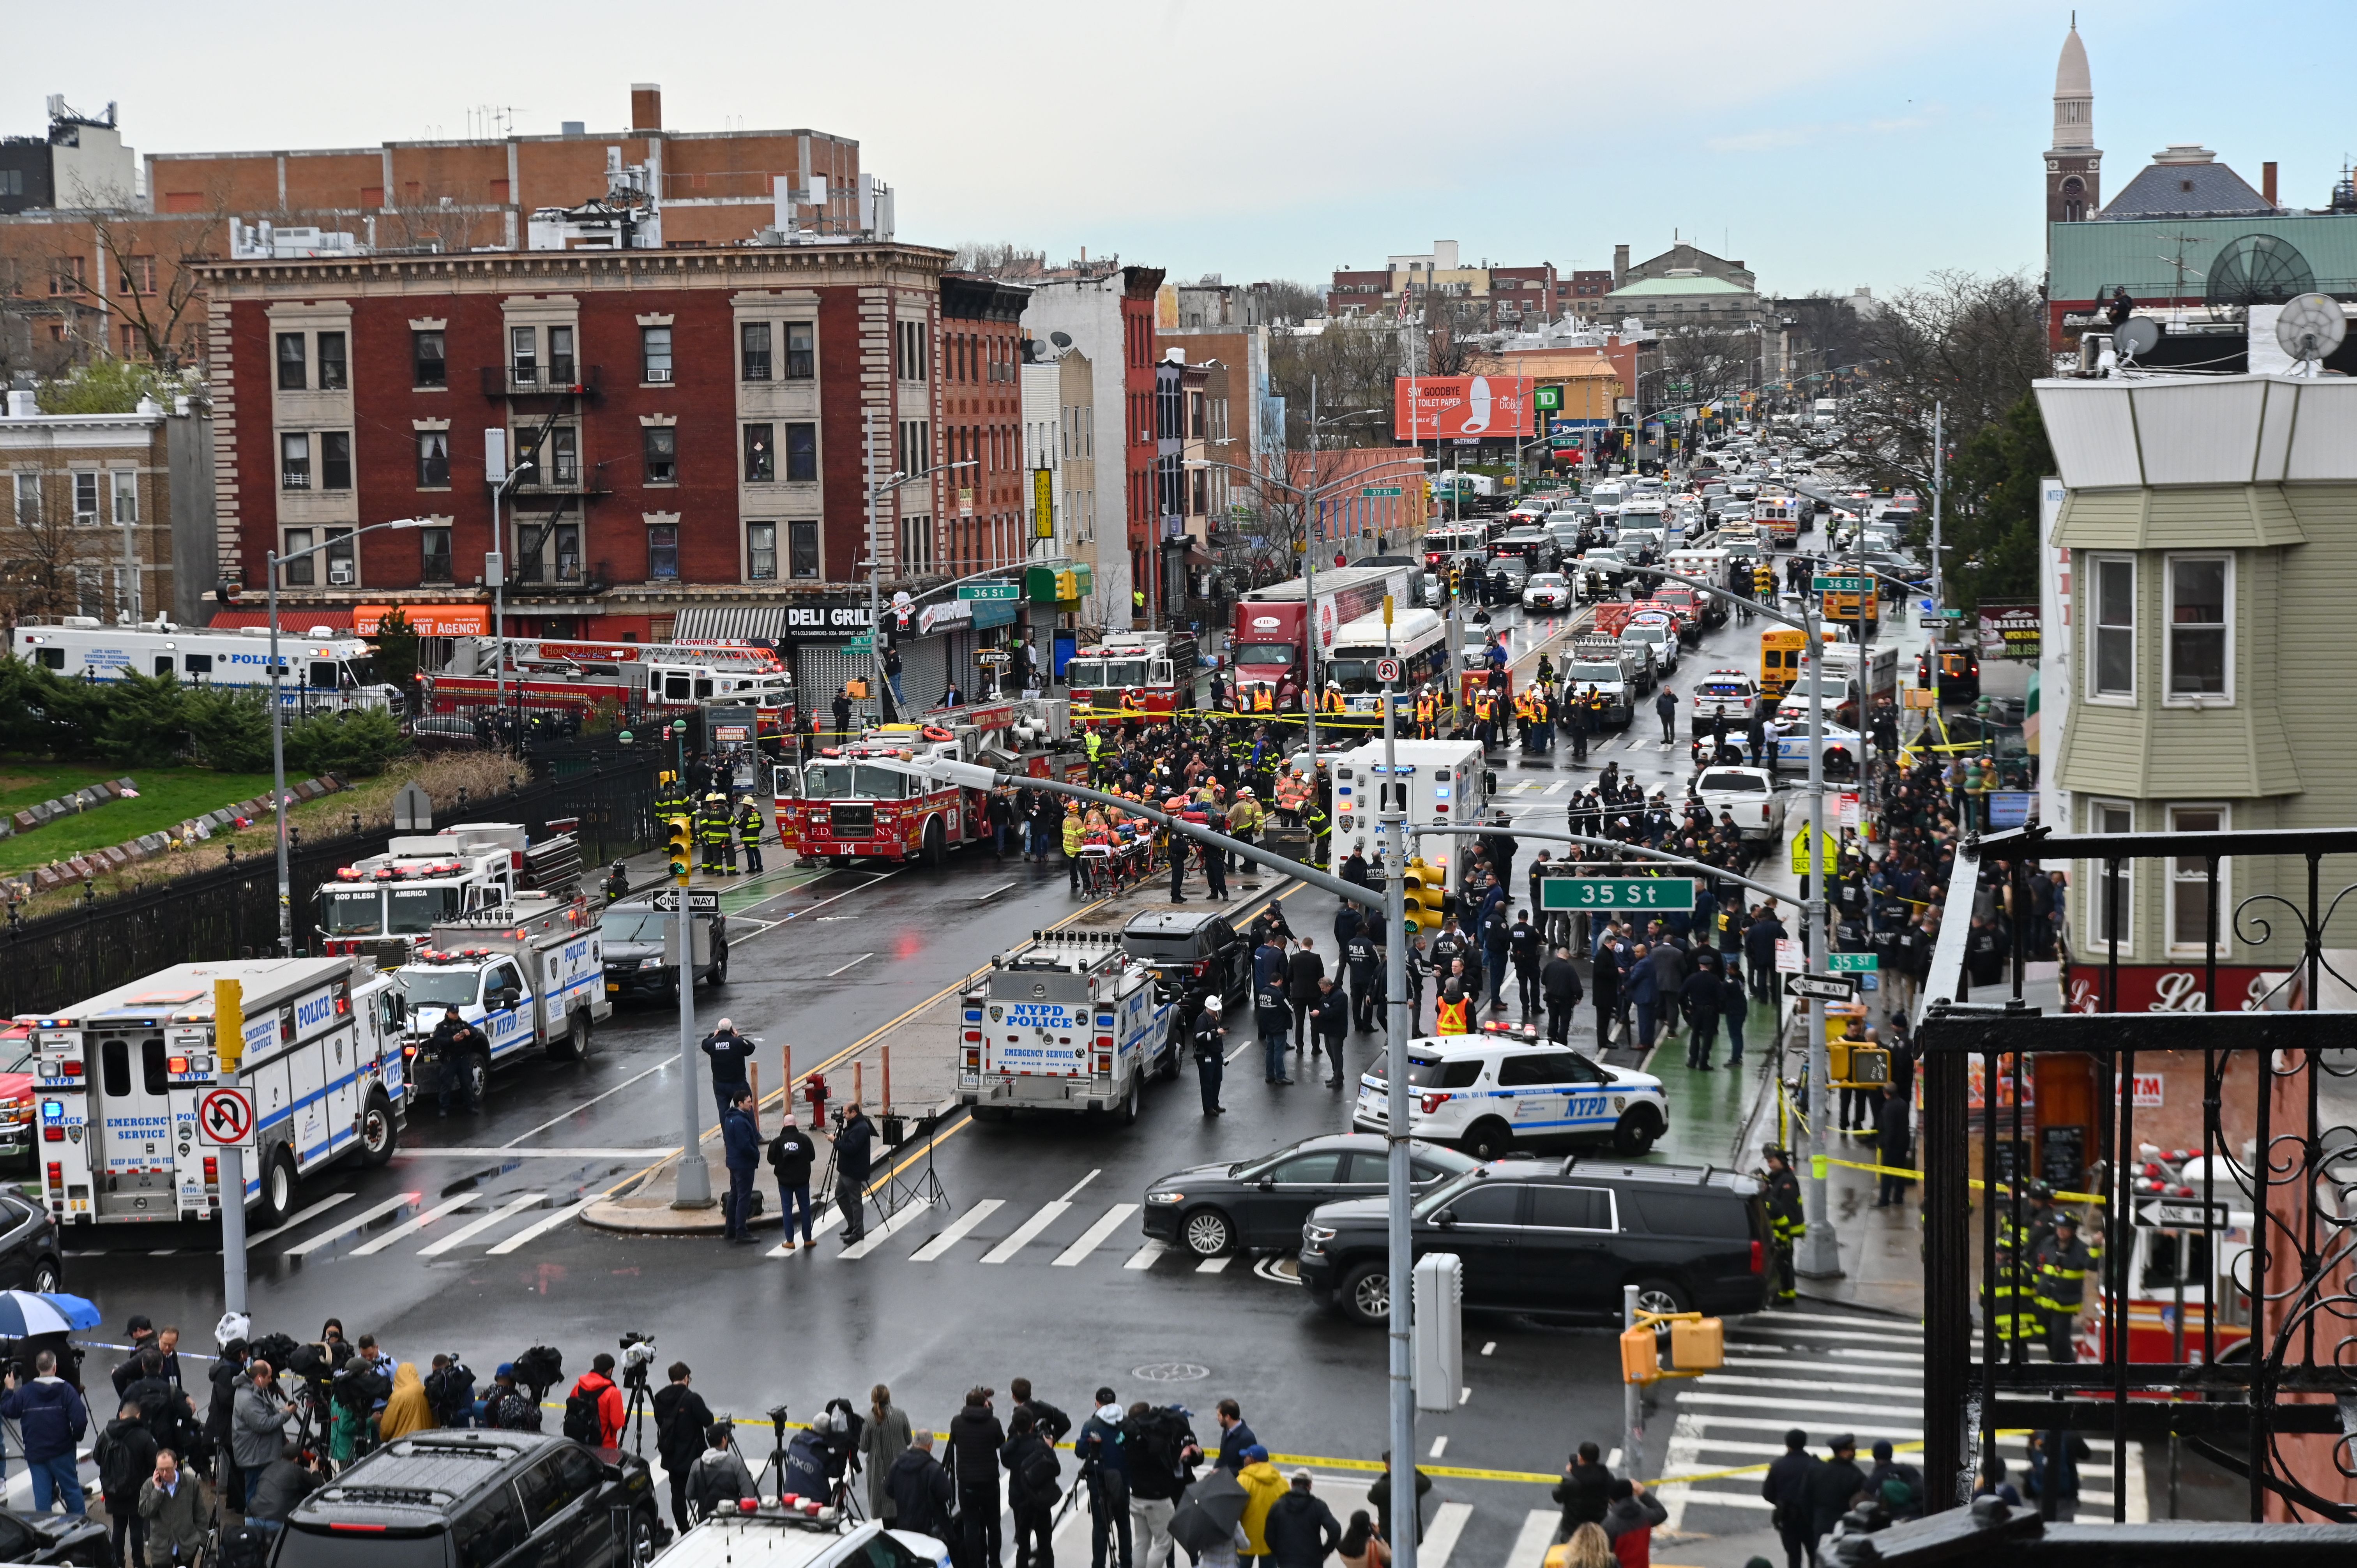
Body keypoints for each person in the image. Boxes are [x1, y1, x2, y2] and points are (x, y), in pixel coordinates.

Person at [4, 1351, 87, 1514]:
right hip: (62, 1450)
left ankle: (45, 1532)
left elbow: (8, 1410)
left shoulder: (26, 1392)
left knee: (42, 1497)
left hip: (35, 1452)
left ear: (37, 1368)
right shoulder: (66, 1390)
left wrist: (9, 1389)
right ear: (55, 1367)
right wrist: (75, 1437)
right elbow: (80, 1420)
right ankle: (81, 1531)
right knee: (71, 1490)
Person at [949, 1388, 1007, 1568]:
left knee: (971, 1526)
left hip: (967, 1482)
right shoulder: (993, 1422)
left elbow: (956, 1441)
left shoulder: (957, 1422)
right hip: (989, 1481)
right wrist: (989, 1411)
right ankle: (995, 1561)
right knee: (993, 1525)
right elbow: (1000, 1443)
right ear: (985, 1403)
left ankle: (976, 1563)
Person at [95, 1400, 158, 1568]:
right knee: (137, 1527)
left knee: (118, 1527)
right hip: (136, 1490)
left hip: (112, 1489)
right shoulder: (143, 1436)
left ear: (121, 1415)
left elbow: (97, 1457)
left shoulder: (106, 1434)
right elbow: (155, 1461)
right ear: (138, 1416)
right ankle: (138, 1562)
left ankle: (118, 1562)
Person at [654, 1364, 715, 1533]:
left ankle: (683, 1529)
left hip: (671, 1455)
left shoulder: (660, 1398)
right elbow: (708, 1420)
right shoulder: (692, 1398)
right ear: (686, 1378)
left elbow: (660, 1421)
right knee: (704, 1491)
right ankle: (704, 1525)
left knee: (678, 1494)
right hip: (693, 1456)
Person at [1076, 1389, 1132, 1568]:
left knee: (1100, 1526)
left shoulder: (1091, 1425)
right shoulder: (1126, 1422)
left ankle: (1099, 1564)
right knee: (1123, 1524)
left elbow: (1081, 1452)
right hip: (1122, 1480)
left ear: (1097, 1403)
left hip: (1098, 1481)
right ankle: (1126, 1563)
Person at [1002, 1409, 1061, 1568]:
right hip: (1039, 1500)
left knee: (1023, 1546)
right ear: (1033, 1425)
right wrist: (1049, 1448)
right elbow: (1056, 1469)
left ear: (1015, 1426)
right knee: (1045, 1545)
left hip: (1020, 1500)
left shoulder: (1011, 1448)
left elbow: (1006, 1462)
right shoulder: (1040, 1446)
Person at [2032, 1215, 2094, 1364]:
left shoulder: (2080, 1249)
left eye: (2065, 1229)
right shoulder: (2048, 1243)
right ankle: (2055, 1362)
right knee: (2046, 1335)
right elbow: (2036, 1262)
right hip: (2045, 1301)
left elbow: (2092, 1265)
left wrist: (2096, 1247)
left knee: (2060, 1337)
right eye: (2059, 1229)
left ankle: (2065, 1368)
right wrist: (2036, 1286)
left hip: (2065, 1304)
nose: (2061, 1232)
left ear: (2073, 1231)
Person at [137, 1450, 210, 1566]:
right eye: (161, 1469)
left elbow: (200, 1513)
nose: (165, 1474)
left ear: (176, 1465)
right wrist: (157, 1491)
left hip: (187, 1547)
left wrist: (200, 1540)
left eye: (168, 1469)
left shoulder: (190, 1483)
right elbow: (144, 1512)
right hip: (161, 1550)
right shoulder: (149, 1485)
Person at [1760, 1429, 1819, 1568]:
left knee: (1794, 1557)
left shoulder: (1778, 1465)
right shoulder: (1815, 1465)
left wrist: (1781, 1501)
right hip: (1810, 1518)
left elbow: (1767, 1494)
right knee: (1815, 1555)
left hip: (1788, 1518)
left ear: (1787, 1444)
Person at [888, 1430, 957, 1540]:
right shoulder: (934, 1468)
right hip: (929, 1527)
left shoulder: (897, 1464)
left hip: (904, 1525)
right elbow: (947, 1494)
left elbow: (889, 1491)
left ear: (914, 1443)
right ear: (930, 1446)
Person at [1264, 1472, 1343, 1568]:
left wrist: (1279, 1552)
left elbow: (1269, 1535)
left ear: (1292, 1485)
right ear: (1310, 1486)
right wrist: (1325, 1551)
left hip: (1286, 1562)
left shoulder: (1278, 1506)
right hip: (1312, 1562)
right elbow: (1335, 1529)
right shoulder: (1318, 1506)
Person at [421, 1009, 488, 1118]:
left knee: (467, 1083)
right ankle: (444, 1109)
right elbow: (438, 1040)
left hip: (462, 1059)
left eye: (457, 1013)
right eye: (453, 1013)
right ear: (448, 1013)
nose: (456, 1015)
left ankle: (470, 1106)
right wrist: (453, 1040)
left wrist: (469, 1033)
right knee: (446, 1085)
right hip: (450, 1060)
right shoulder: (441, 1027)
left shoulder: (462, 1024)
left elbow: (475, 1032)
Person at [686, 1423, 757, 1519]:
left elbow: (690, 1494)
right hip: (732, 1518)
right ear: (724, 1439)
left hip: (706, 1520)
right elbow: (749, 1495)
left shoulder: (697, 1465)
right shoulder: (735, 1463)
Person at [767, 1112, 817, 1252]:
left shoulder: (777, 1142)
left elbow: (771, 1160)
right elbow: (812, 1157)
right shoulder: (805, 1140)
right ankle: (808, 1239)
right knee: (805, 1209)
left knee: (787, 1210)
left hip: (784, 1181)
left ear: (784, 1125)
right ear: (796, 1124)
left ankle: (790, 1241)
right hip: (802, 1180)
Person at [1805, 1436, 1866, 1547]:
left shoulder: (1818, 1471)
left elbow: (1804, 1498)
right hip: (1845, 1528)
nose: (1855, 1451)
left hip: (1821, 1524)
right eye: (1852, 1449)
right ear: (1844, 1452)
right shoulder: (1856, 1476)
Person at [719, 1088, 763, 1243]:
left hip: (733, 1162)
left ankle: (730, 1229)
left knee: (734, 1195)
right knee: (743, 1197)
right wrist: (756, 1154)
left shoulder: (730, 1118)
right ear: (740, 1103)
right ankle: (741, 1231)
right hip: (744, 1164)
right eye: (749, 1102)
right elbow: (745, 1145)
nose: (751, 1104)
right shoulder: (741, 1121)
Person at [1762, 1148, 1804, 1303]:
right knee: (1779, 1263)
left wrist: (1782, 1236)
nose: (1770, 1165)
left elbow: (1788, 1213)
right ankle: (1781, 1290)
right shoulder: (1776, 1177)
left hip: (1787, 1231)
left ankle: (1787, 1294)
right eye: (1768, 1161)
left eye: (1772, 1161)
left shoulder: (1787, 1183)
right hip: (1780, 1230)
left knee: (1785, 1262)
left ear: (1781, 1161)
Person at [1552, 1442, 1613, 1541]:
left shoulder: (1571, 1481)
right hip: (1598, 1529)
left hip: (1573, 1531)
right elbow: (1614, 1498)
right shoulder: (1607, 1477)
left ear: (1581, 1457)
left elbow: (1557, 1497)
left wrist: (1568, 1475)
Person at [1235, 1447, 1287, 1563]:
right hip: (1272, 1540)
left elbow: (1235, 1509)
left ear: (1253, 1460)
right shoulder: (1281, 1481)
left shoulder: (1244, 1480)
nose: (1244, 1460)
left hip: (1246, 1539)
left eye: (1246, 1457)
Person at [1366, 1453, 1429, 1546]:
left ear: (1387, 1466)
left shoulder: (1381, 1487)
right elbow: (1427, 1483)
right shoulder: (1414, 1483)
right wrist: (1410, 1468)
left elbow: (1371, 1498)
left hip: (1389, 1533)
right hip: (1411, 1531)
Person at [1601, 1479, 1667, 1568]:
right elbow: (1662, 1513)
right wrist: (1643, 1494)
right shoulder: (1645, 1516)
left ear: (1612, 1500)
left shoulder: (1609, 1525)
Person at [835, 1102, 876, 1244]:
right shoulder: (854, 1125)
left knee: (855, 1201)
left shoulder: (860, 1128)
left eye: (846, 1113)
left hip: (854, 1170)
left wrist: (835, 1142)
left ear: (854, 1113)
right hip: (845, 1169)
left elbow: (851, 1148)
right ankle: (852, 1224)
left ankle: (858, 1232)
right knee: (840, 1196)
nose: (844, 1116)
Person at [565, 1354, 626, 1449]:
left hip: (580, 1443)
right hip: (605, 1446)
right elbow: (617, 1423)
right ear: (610, 1370)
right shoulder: (613, 1392)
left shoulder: (578, 1387)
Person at [701, 1018, 757, 1119]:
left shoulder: (712, 1043)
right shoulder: (737, 1042)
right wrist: (739, 1036)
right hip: (738, 1084)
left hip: (720, 1084)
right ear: (731, 1029)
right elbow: (751, 1048)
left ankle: (727, 1134)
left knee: (723, 1112)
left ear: (719, 1030)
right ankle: (753, 1133)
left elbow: (704, 1044)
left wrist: (713, 1036)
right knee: (746, 1109)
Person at [1309, 976, 1350, 1088]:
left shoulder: (1340, 996)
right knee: (1331, 1054)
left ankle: (1338, 1079)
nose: (1322, 990)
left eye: (1323, 988)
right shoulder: (1327, 995)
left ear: (1329, 986)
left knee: (1336, 1056)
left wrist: (1320, 1014)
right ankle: (1336, 1076)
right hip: (1328, 1030)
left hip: (1336, 1032)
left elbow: (1334, 1013)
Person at [378, 1363, 435, 1441]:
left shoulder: (398, 1396)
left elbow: (386, 1429)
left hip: (403, 1443)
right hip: (425, 1441)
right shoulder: (426, 1391)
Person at [1286, 939, 1324, 1054]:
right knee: (1315, 1022)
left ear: (1302, 945)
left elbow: (1289, 976)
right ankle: (1316, 1048)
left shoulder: (1293, 958)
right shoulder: (1316, 958)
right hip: (1314, 994)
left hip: (1298, 994)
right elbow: (1321, 976)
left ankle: (1300, 1048)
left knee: (1299, 1022)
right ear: (1311, 946)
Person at [1193, 996, 1227, 1116]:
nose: (1216, 1012)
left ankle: (1215, 1104)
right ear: (1208, 1008)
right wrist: (1215, 1033)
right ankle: (1208, 1108)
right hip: (1206, 1056)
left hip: (1216, 1054)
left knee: (1217, 1080)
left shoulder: (1213, 1018)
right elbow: (1199, 1037)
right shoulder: (1202, 1020)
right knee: (1208, 1082)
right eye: (1214, 1010)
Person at [1213, 1399, 1256, 1473]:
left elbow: (1249, 1468)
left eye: (1219, 1415)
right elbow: (1222, 1456)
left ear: (1227, 1417)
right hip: (1224, 1479)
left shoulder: (1247, 1438)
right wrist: (1215, 1470)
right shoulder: (1227, 1431)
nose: (1218, 1418)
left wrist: (1223, 1472)